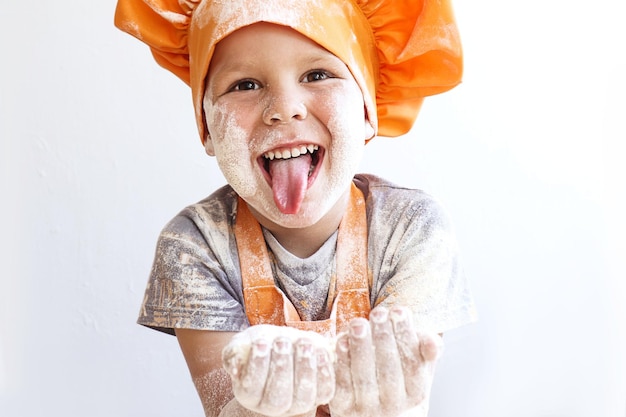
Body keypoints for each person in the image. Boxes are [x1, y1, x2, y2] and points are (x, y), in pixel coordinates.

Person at [114, 0, 477, 416]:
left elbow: (401, 391)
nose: (285, 107)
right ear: (207, 127)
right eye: (246, 84)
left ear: (367, 112)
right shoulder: (193, 246)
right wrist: (258, 407)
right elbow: (223, 408)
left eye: (317, 74)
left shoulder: (412, 228)